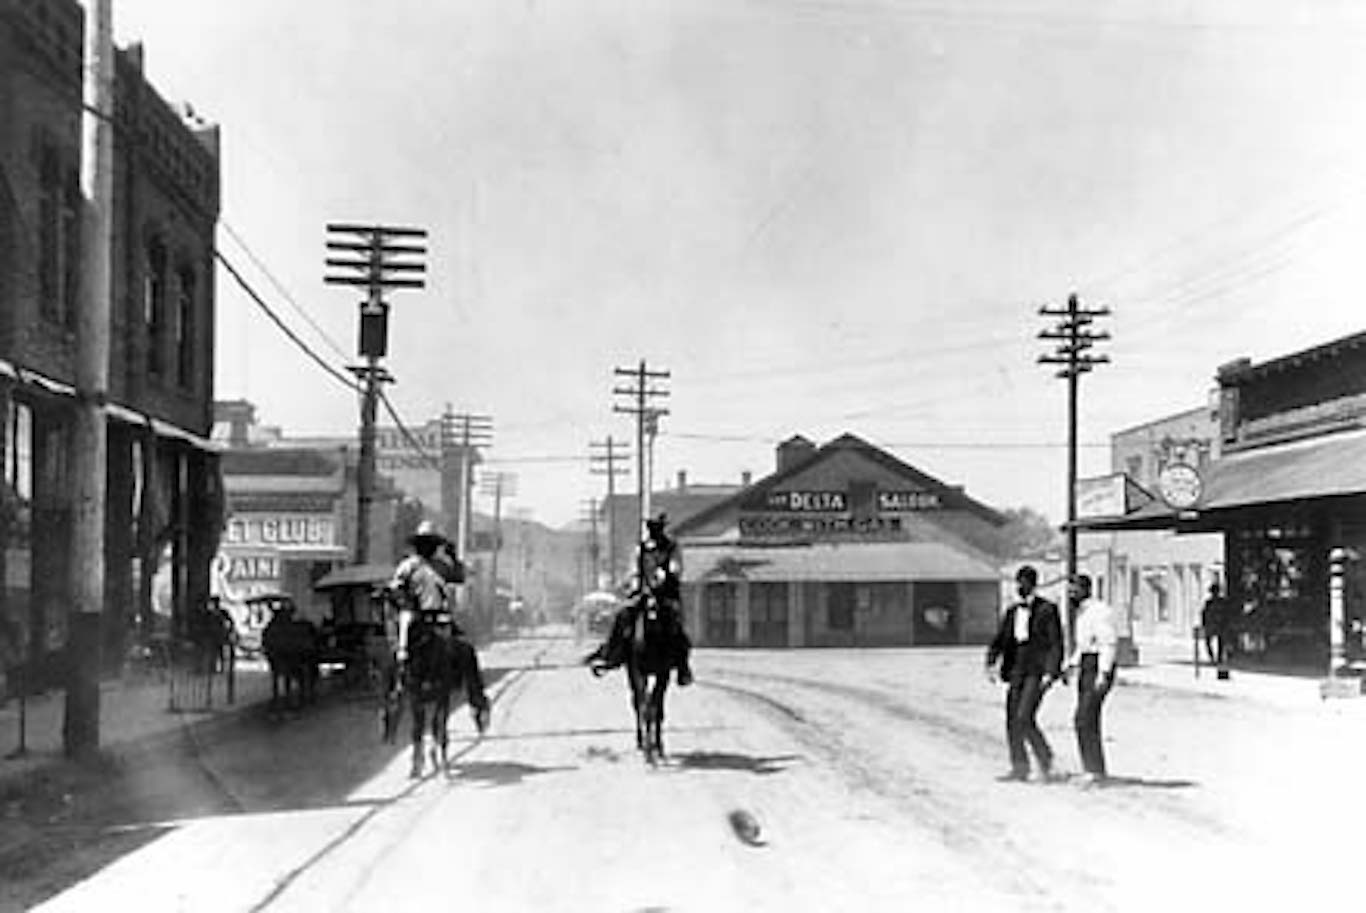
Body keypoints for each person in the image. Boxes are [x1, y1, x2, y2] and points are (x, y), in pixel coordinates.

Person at [388, 520, 490, 732]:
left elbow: (460, 577)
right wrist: (405, 601)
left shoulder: (442, 566)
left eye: (431, 543)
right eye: (424, 543)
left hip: (440, 618)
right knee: (400, 652)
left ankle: (477, 701)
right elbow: (395, 589)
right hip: (415, 617)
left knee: (466, 651)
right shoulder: (408, 566)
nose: (427, 547)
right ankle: (395, 693)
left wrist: (453, 557)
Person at [588, 514, 694, 686]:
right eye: (652, 527)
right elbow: (633, 570)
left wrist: (666, 574)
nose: (654, 531)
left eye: (657, 527)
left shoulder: (672, 547)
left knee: (676, 623)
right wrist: (636, 584)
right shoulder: (642, 548)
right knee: (622, 615)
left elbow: (676, 568)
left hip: (667, 594)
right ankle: (611, 655)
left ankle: (683, 666)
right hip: (643, 592)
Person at [985, 565, 1065, 782]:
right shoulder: (1012, 612)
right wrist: (991, 662)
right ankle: (1019, 767)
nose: (1022, 587)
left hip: (1036, 669)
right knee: (1012, 718)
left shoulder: (1047, 609)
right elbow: (1000, 639)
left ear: (1033, 584)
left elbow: (1056, 643)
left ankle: (1045, 758)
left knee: (1024, 716)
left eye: (1026, 583)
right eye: (1019, 582)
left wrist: (1051, 671)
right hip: (1016, 668)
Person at [1065, 575, 1118, 787]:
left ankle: (1094, 771)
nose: (1071, 594)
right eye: (1069, 591)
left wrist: (1103, 673)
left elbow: (1108, 643)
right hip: (1087, 665)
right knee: (1086, 719)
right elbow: (1084, 645)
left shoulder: (1100, 611)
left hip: (1098, 666)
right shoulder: (1082, 612)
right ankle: (1093, 770)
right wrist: (1072, 664)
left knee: (1084, 718)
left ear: (1086, 589)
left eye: (1074, 590)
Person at [1201, 582, 1230, 669]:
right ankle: (1213, 657)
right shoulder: (1209, 603)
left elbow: (1226, 613)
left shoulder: (1221, 602)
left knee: (1220, 641)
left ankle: (1218, 657)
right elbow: (1204, 614)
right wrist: (1204, 623)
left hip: (1218, 624)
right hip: (1213, 624)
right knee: (1210, 641)